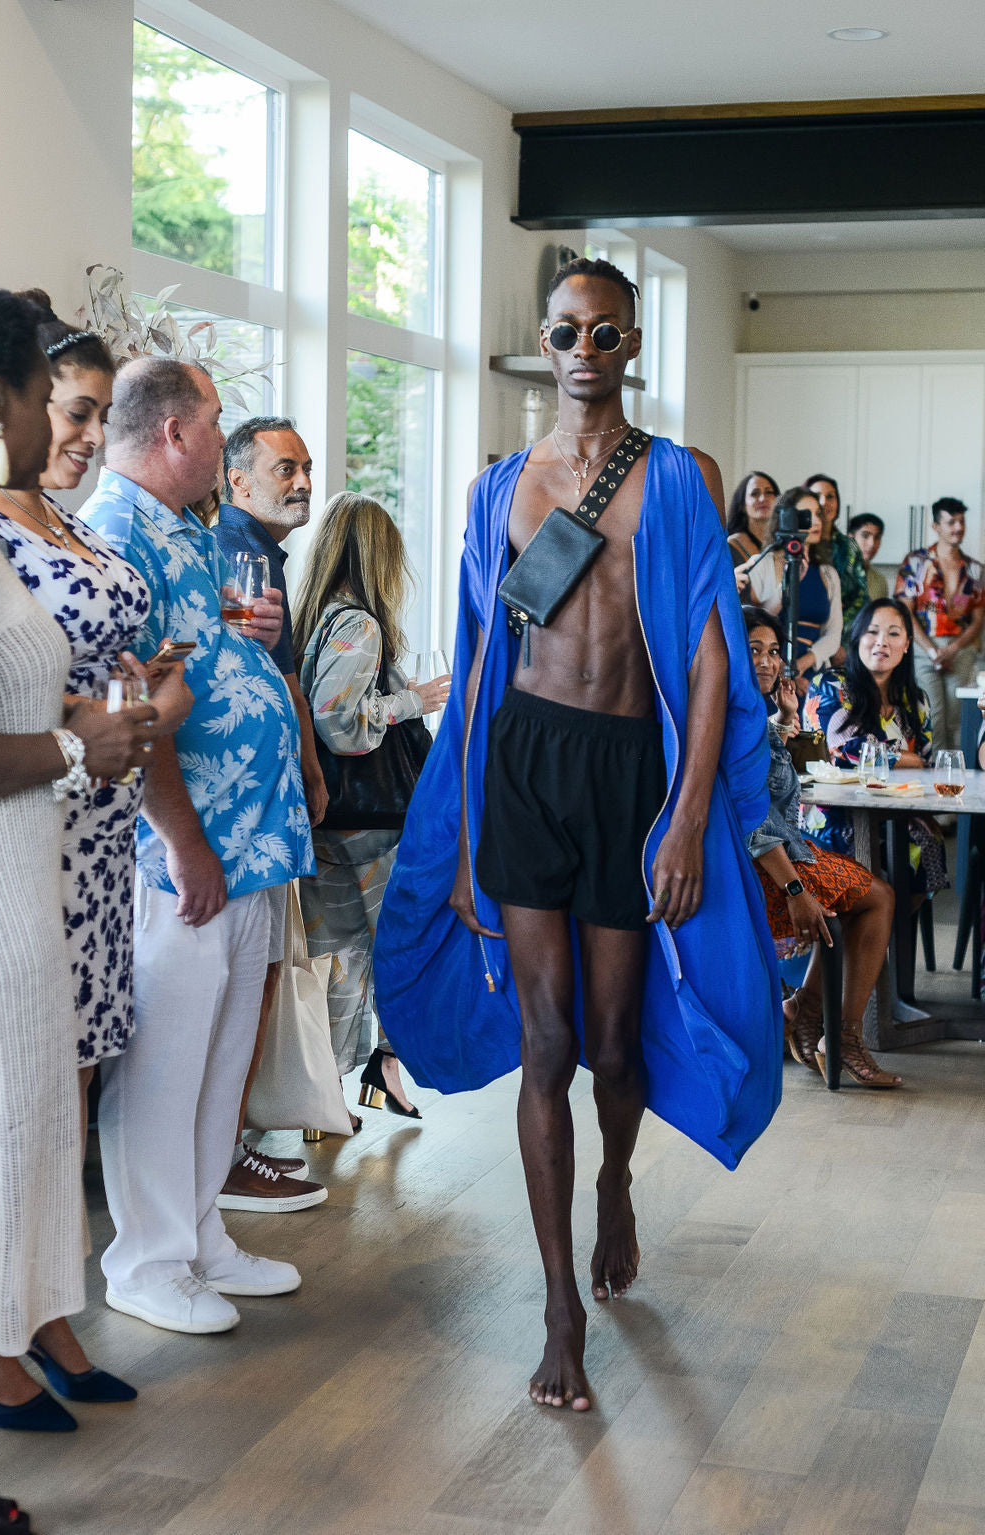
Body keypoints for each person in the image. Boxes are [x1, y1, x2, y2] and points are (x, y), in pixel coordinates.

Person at [373, 256, 781, 1413]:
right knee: (546, 1039)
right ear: (541, 345)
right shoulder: (498, 485)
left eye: (605, 333)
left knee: (614, 1045)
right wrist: (457, 841)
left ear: (632, 343)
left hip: (626, 774)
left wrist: (690, 813)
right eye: (565, 332)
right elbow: (480, 662)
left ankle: (615, 1183)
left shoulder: (679, 479)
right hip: (520, 770)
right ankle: (557, 1303)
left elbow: (706, 659)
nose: (584, 351)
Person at [0, 296, 194, 1428]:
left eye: (100, 416)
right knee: (17, 1095)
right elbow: (7, 682)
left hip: (101, 829)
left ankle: (53, 1307)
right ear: (10, 403)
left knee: (70, 1084)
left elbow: (109, 672)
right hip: (32, 824)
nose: (80, 433)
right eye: (69, 409)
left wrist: (153, 691)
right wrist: (97, 714)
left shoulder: (75, 529)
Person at [0, 282, 151, 1534]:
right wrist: (82, 750)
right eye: (43, 394)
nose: (51, 421)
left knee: (4, 1170)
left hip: (21, 886)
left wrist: (77, 730)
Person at [82, 357, 315, 1335]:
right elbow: (135, 713)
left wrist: (250, 629)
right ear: (174, 432)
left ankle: (202, 1232)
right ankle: (147, 1256)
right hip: (186, 846)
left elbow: (204, 655)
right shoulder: (119, 532)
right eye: (217, 423)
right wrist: (181, 840)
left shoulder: (188, 527)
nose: (225, 439)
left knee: (222, 1059)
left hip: (250, 835)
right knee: (165, 1062)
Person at [293, 492, 449, 1123]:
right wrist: (415, 702)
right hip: (372, 822)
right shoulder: (360, 624)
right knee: (384, 951)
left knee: (335, 955)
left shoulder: (315, 615)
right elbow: (341, 723)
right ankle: (352, 1080)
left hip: (326, 815)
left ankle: (332, 1088)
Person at [211, 416, 329, 1212]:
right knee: (244, 983)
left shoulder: (262, 554)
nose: (302, 482)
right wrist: (314, 770)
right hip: (242, 810)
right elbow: (272, 682)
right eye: (284, 469)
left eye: (307, 468)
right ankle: (222, 1155)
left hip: (265, 804)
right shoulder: (236, 552)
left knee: (260, 976)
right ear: (237, 480)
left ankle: (231, 1145)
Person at [743, 607, 899, 1087]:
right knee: (877, 897)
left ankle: (809, 1014)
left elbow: (761, 768)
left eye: (773, 652)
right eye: (754, 651)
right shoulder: (732, 713)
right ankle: (838, 1031)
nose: (768, 662)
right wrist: (795, 891)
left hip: (781, 851)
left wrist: (785, 720)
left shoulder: (748, 711)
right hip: (760, 867)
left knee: (868, 894)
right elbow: (748, 813)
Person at [804, 598, 948, 902]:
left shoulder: (916, 700)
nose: (882, 642)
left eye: (894, 633)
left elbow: (926, 763)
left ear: (907, 644)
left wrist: (888, 756)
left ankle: (890, 938)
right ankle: (874, 936)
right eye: (872, 632)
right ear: (857, 638)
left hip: (896, 814)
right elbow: (843, 753)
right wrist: (902, 758)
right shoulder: (830, 684)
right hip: (836, 812)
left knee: (927, 842)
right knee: (853, 845)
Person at [895, 496, 985, 751]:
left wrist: (951, 650)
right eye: (951, 522)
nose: (958, 527)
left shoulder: (975, 569)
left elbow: (978, 621)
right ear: (936, 526)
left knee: (958, 720)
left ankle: (957, 778)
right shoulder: (916, 562)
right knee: (931, 716)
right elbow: (905, 611)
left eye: (961, 521)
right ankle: (932, 778)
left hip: (961, 651)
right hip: (924, 649)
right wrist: (934, 651)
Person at [747, 487, 842, 694]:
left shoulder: (828, 574)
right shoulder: (762, 563)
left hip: (811, 674)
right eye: (806, 515)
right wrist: (789, 583)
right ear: (787, 519)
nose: (815, 521)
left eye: (818, 514)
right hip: (767, 668)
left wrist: (801, 666)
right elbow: (757, 620)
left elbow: (833, 634)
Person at [803, 473, 868, 641]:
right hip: (803, 634)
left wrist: (838, 636)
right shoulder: (796, 547)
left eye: (830, 496)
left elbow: (860, 599)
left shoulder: (850, 547)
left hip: (844, 639)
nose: (824, 502)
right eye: (817, 497)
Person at [726, 470, 779, 598]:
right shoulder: (730, 546)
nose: (763, 499)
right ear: (743, 505)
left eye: (769, 492)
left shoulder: (786, 544)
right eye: (755, 494)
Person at [848, 512, 888, 602]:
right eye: (865, 536)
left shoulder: (880, 581)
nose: (872, 544)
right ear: (850, 538)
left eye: (877, 537)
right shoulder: (835, 572)